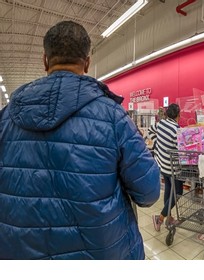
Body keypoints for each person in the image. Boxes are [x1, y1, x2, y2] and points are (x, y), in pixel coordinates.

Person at [0, 21, 160, 259]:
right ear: (87, 62)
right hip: (101, 251)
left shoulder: (6, 118)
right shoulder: (113, 116)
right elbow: (149, 192)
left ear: (45, 60)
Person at [151, 103, 185, 231]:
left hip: (163, 165)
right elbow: (180, 151)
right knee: (178, 193)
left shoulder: (160, 124)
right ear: (178, 115)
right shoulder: (176, 129)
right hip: (173, 169)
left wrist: (157, 145)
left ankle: (169, 217)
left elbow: (150, 131)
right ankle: (159, 218)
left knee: (168, 191)